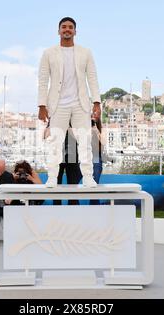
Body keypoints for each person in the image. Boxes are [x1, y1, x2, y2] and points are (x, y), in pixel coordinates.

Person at [38, 17, 101, 188]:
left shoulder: (85, 52)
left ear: (75, 31)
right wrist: (41, 105)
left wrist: (96, 102)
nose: (67, 30)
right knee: (55, 142)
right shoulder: (49, 53)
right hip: (58, 105)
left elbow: (92, 78)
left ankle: (88, 177)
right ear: (58, 31)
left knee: (85, 141)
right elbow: (43, 80)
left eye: (70, 27)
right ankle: (52, 177)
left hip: (80, 104)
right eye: (64, 27)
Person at [54, 127, 82, 205]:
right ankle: (56, 209)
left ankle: (73, 210)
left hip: (72, 154)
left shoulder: (75, 118)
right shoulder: (55, 118)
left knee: (73, 184)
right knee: (56, 183)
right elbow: (46, 135)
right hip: (57, 153)